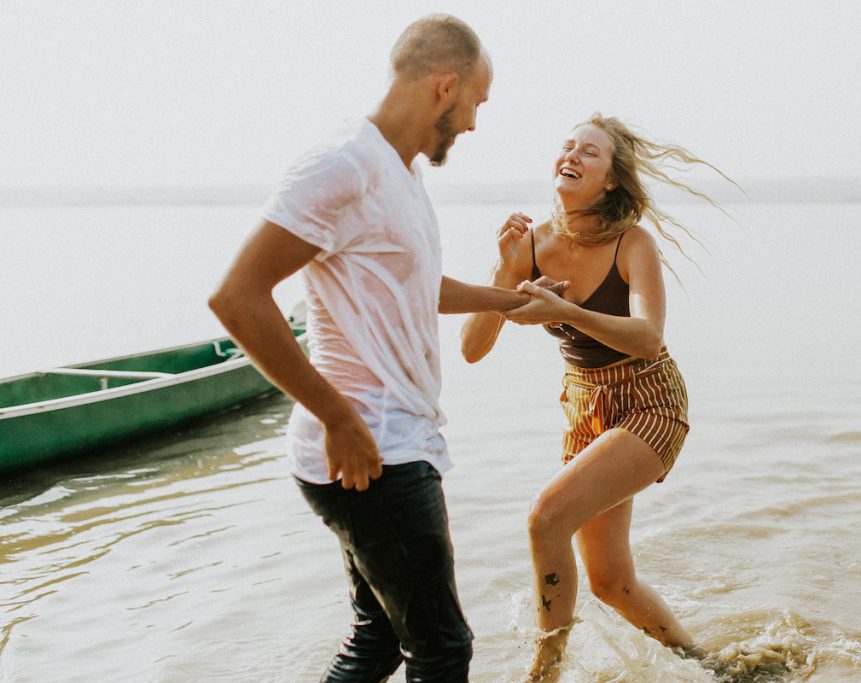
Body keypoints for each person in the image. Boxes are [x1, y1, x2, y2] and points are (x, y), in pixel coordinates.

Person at [209, 15, 563, 683]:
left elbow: (417, 288)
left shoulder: (399, 174)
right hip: (371, 450)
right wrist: (337, 415)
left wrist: (512, 297)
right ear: (446, 86)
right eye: (476, 104)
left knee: (377, 640)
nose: (475, 123)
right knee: (443, 648)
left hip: (388, 440)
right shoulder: (344, 166)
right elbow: (237, 296)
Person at [460, 114, 732, 680]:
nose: (573, 155)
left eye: (590, 152)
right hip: (585, 410)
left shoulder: (632, 244)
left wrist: (564, 310)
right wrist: (507, 271)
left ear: (610, 179)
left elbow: (649, 336)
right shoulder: (529, 246)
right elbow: (472, 347)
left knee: (544, 520)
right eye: (568, 146)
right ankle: (714, 668)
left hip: (649, 401)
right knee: (611, 582)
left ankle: (544, 671)